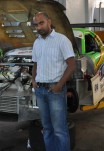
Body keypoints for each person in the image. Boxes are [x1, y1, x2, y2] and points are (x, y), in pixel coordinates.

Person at [31, 12, 75, 151]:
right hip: (40, 91)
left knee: (59, 130)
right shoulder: (37, 42)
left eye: (41, 23)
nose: (39, 27)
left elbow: (72, 65)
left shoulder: (62, 40)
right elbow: (35, 64)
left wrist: (59, 86)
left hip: (55, 91)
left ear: (49, 21)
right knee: (47, 128)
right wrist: (33, 80)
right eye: (36, 25)